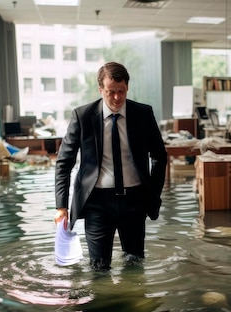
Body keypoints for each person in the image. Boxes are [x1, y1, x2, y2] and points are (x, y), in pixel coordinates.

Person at [54, 62, 168, 270]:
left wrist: (153, 194)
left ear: (127, 88)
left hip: (134, 201)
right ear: (100, 89)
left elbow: (160, 156)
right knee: (98, 268)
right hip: (97, 203)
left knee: (135, 266)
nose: (117, 98)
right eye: (111, 92)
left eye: (121, 91)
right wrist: (61, 206)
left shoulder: (142, 114)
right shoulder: (83, 116)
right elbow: (64, 162)